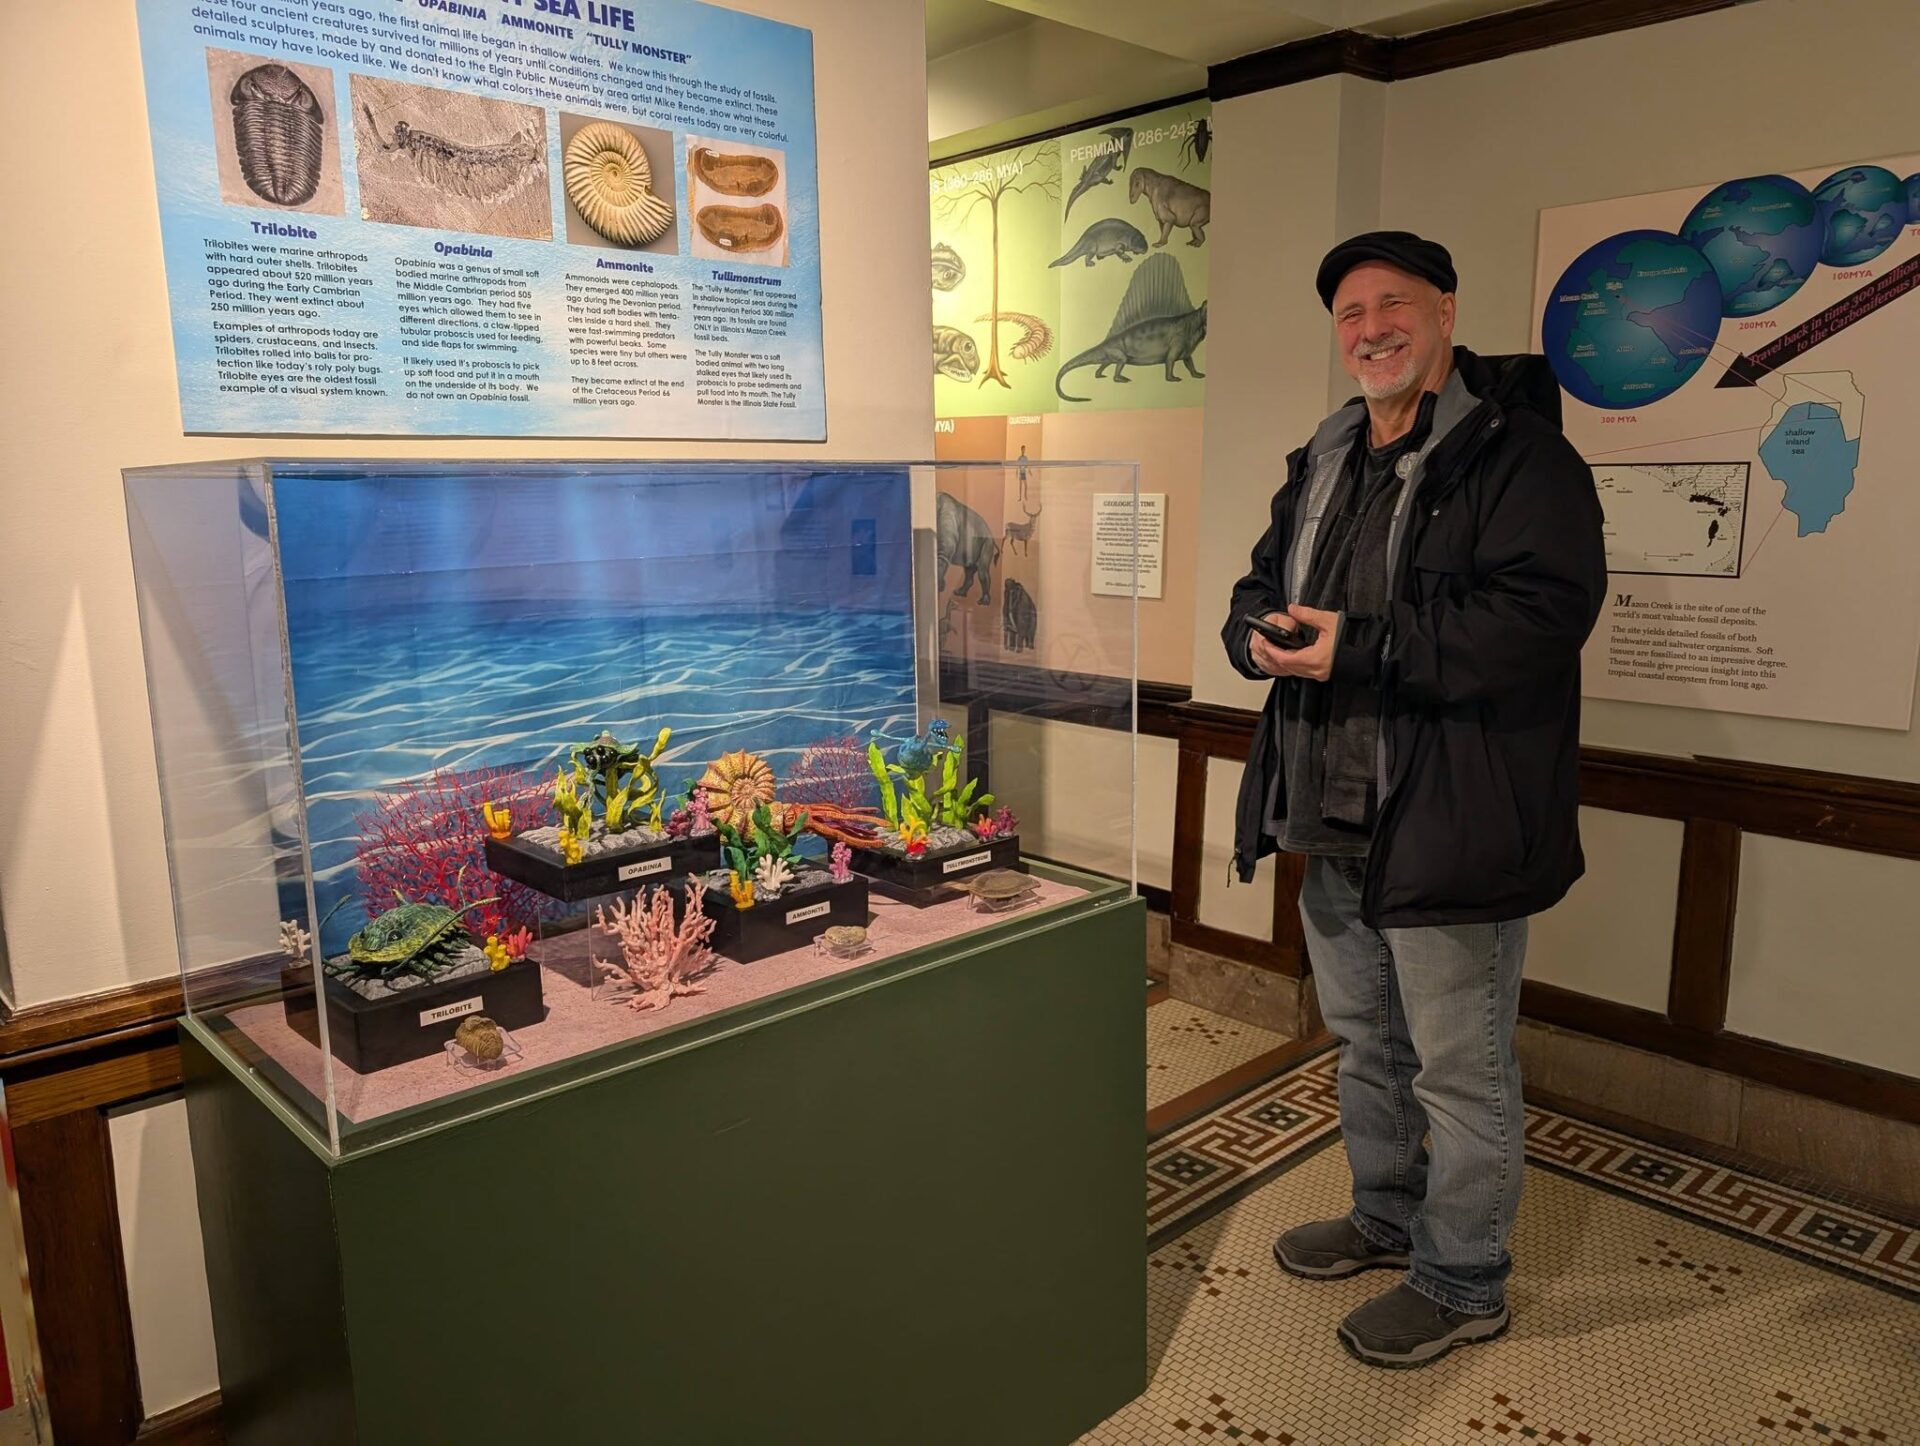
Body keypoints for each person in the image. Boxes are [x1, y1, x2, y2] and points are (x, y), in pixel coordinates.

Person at [1221, 231, 1606, 1368]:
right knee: (1365, 1040)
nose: (1370, 328)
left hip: (1451, 821)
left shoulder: (1521, 459)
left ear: (1445, 311)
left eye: (1393, 304)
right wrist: (1257, 636)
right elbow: (1262, 579)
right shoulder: (1325, 454)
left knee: (1461, 1063)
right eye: (1348, 312)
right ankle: (1386, 1216)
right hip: (1327, 808)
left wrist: (1361, 648)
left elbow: (1539, 624)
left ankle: (1463, 1275)